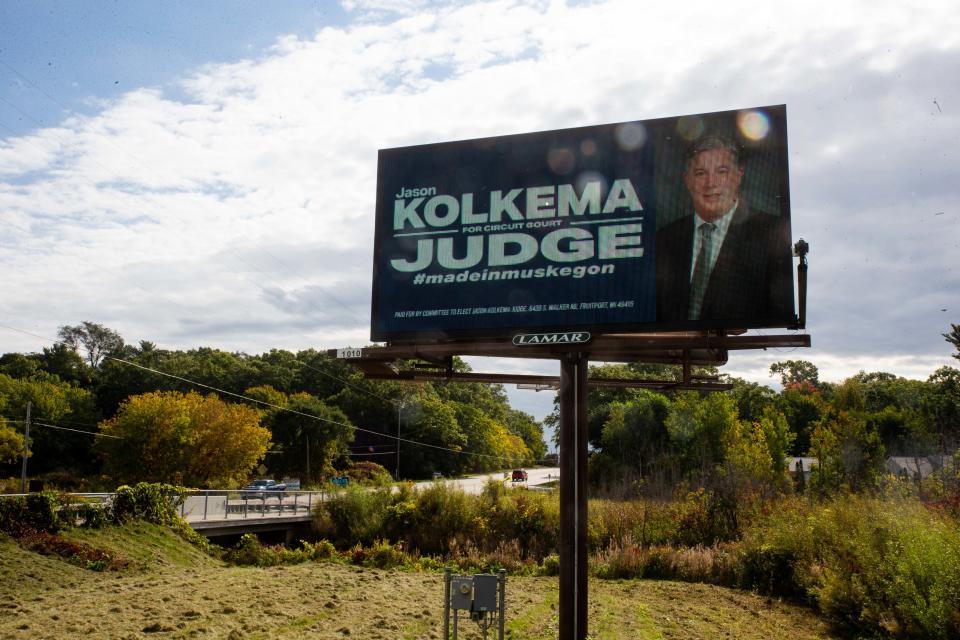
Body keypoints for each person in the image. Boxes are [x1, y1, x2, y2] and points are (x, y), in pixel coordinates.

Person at [655, 134, 794, 324]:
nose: (711, 183)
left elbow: (777, 309)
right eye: (700, 173)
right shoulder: (664, 239)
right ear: (687, 181)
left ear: (738, 176)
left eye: (722, 171)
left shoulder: (772, 233)